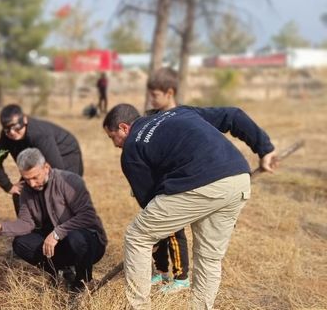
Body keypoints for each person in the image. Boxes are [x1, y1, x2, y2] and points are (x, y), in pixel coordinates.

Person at [102, 103, 277, 310]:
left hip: (199, 183)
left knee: (137, 236)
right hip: (237, 178)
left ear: (124, 128)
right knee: (209, 259)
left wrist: (155, 236)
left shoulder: (132, 146)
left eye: (113, 137)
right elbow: (233, 114)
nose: (115, 145)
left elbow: (149, 201)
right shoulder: (180, 112)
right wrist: (265, 148)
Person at [0, 148, 107, 292]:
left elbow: (87, 215)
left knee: (76, 238)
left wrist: (57, 233)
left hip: (88, 243)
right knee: (20, 243)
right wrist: (1, 227)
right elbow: (26, 223)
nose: (31, 183)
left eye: (35, 177)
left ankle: (81, 284)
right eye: (26, 178)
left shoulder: (69, 181)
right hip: (58, 245)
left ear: (46, 167)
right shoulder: (26, 190)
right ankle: (59, 272)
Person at [0, 104, 83, 214]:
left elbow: (58, 169)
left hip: (65, 153)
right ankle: (27, 228)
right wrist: (8, 186)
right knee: (20, 194)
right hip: (38, 159)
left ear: (24, 119)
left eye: (15, 126)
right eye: (7, 129)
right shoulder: (6, 137)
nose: (12, 132)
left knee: (60, 190)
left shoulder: (39, 134)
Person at [145, 67, 190, 292]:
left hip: (174, 183)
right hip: (155, 181)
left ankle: (181, 277)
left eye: (155, 95)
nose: (151, 99)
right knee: (157, 229)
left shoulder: (181, 118)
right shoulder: (151, 117)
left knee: (174, 230)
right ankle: (161, 271)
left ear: (169, 92)